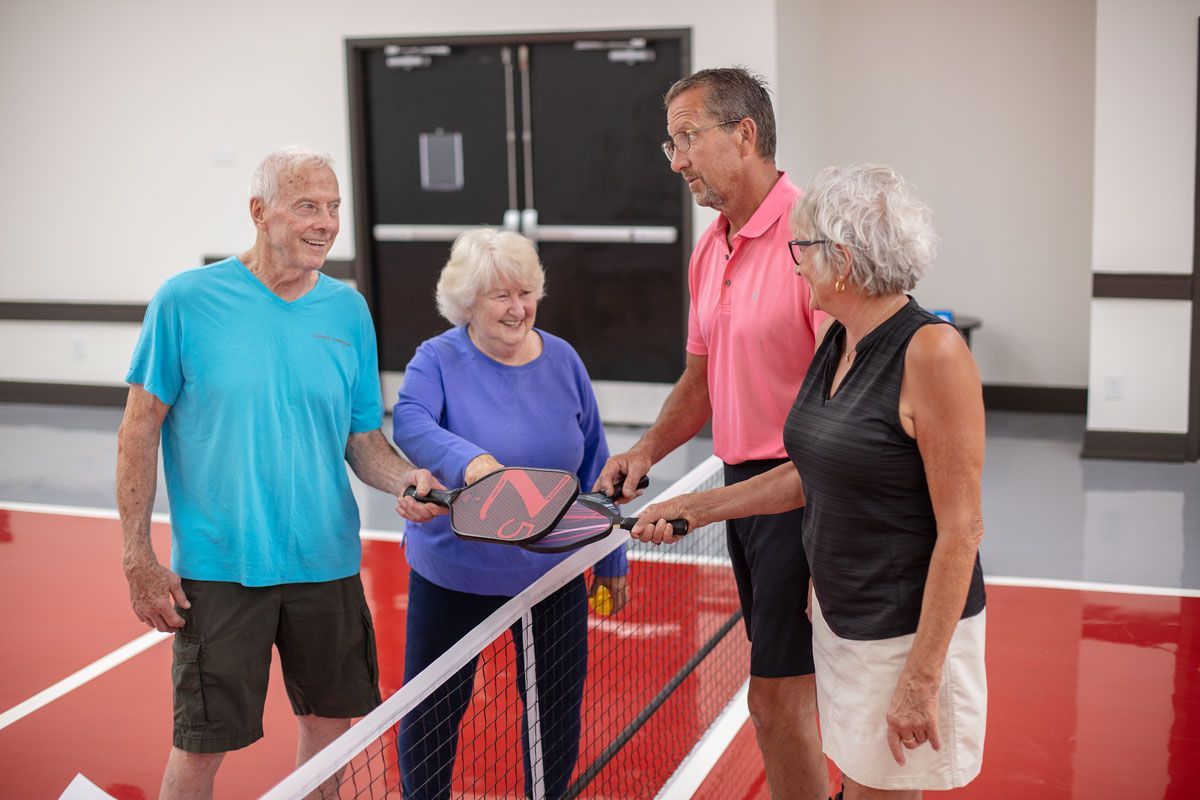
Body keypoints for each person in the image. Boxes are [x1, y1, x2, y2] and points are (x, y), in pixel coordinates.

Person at [632, 164, 988, 799]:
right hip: (842, 618)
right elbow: (808, 474)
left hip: (902, 633)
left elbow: (962, 530)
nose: (795, 266)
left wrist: (922, 678)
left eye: (803, 251)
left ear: (843, 260)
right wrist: (698, 507)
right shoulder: (840, 341)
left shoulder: (932, 353)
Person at [117, 147, 441, 800]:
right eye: (307, 206)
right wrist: (137, 557)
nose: (326, 222)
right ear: (260, 213)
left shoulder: (347, 312)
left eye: (333, 207)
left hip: (326, 566)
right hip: (219, 571)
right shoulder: (186, 301)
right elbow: (139, 428)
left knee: (330, 732)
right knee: (201, 745)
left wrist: (405, 478)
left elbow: (363, 441)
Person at [595, 67, 828, 799]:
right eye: (671, 143)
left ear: (746, 135)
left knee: (780, 698)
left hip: (805, 494)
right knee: (792, 688)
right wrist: (644, 451)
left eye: (688, 138)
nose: (676, 159)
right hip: (744, 492)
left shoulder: (811, 237)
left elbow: (844, 407)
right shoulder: (712, 246)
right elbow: (701, 380)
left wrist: (712, 507)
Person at [392, 228, 628, 800]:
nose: (517, 308)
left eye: (526, 292)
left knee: (555, 717)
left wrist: (612, 561)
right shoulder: (438, 359)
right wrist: (472, 463)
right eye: (500, 295)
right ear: (467, 301)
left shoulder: (564, 359)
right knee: (431, 715)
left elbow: (597, 466)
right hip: (453, 574)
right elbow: (411, 423)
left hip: (554, 575)